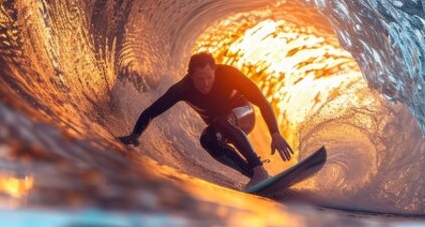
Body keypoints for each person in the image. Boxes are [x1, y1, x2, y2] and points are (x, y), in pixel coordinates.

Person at [117, 52, 293, 186]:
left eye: (209, 77)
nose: (205, 83)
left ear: (214, 71)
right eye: (200, 79)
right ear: (191, 76)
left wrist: (275, 133)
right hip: (222, 126)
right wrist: (135, 135)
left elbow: (262, 102)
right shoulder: (182, 89)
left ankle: (258, 169)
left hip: (244, 115)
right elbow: (152, 111)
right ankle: (255, 176)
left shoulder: (229, 74)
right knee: (208, 140)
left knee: (220, 121)